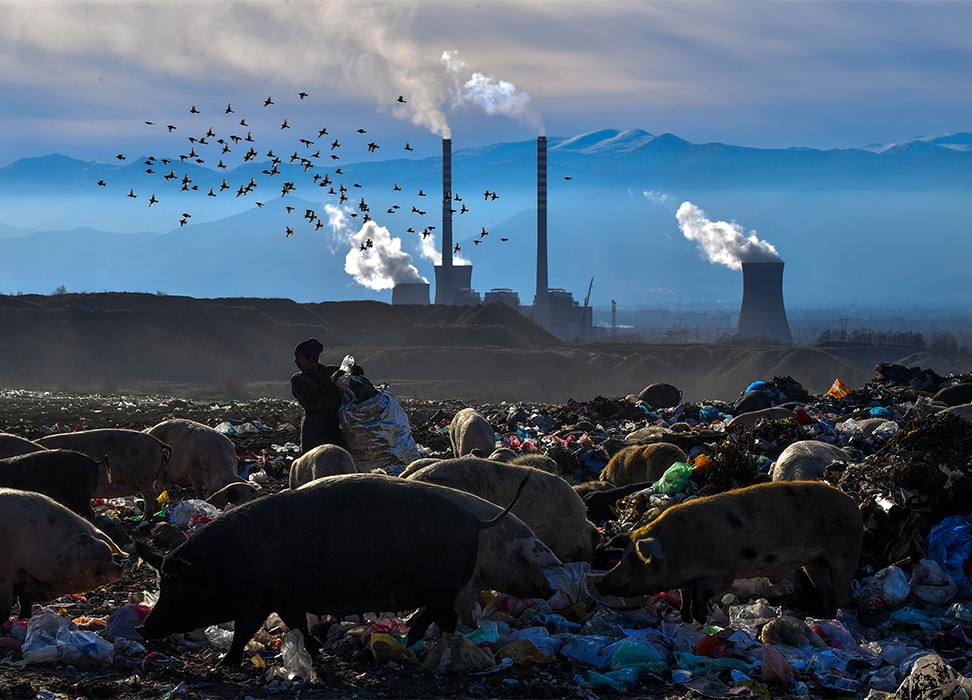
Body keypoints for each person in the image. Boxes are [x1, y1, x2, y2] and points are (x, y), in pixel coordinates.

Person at [290, 338, 361, 454]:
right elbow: (310, 400)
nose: (296, 361)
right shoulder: (298, 380)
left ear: (311, 358)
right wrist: (331, 381)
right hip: (314, 429)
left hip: (335, 427)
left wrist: (353, 370)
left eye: (299, 357)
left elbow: (351, 374)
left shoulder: (329, 371)